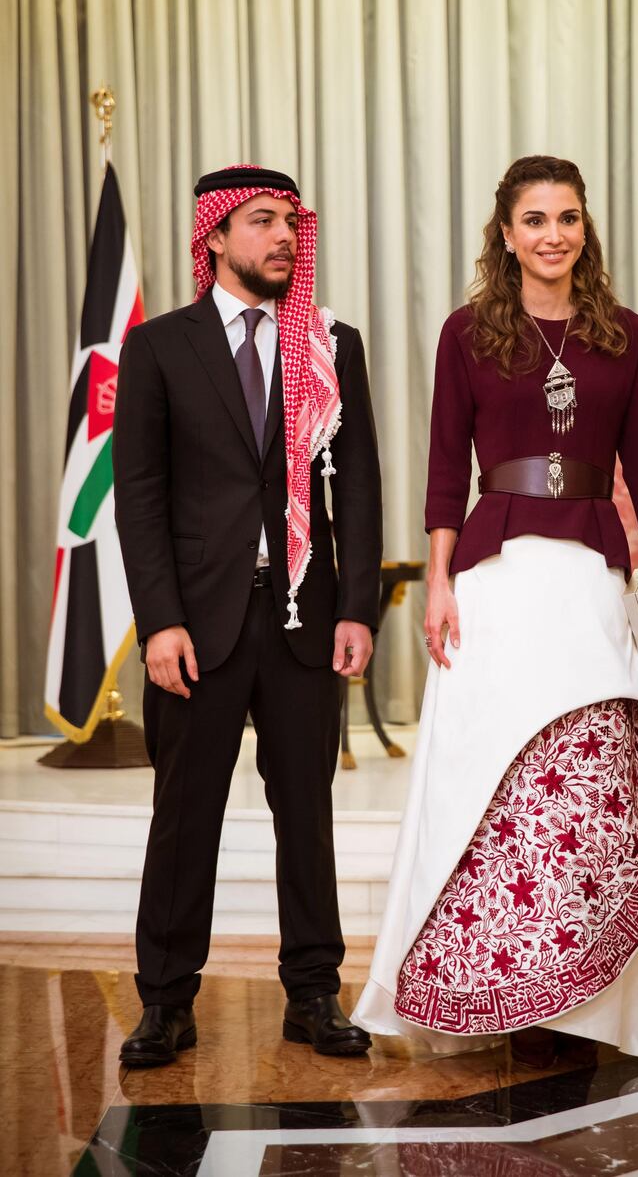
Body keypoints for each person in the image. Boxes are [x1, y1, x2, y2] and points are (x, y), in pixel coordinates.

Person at [354, 155, 638, 1064]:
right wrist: (442, 578)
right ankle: (506, 987)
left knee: (592, 778)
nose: (552, 234)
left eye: (567, 218)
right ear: (506, 234)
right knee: (496, 782)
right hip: (496, 577)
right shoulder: (466, 334)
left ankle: (607, 994)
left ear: (586, 230)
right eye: (533, 219)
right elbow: (441, 468)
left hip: (587, 575)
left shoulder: (626, 335)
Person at [113, 165, 382, 1065]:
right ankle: (166, 1002)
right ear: (216, 237)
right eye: (261, 222)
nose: (282, 238)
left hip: (305, 620)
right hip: (198, 625)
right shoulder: (158, 349)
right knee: (184, 814)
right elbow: (140, 498)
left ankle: (313, 992)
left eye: (290, 223)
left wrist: (359, 607)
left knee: (305, 813)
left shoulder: (329, 344)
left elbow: (363, 486)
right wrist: (159, 622)